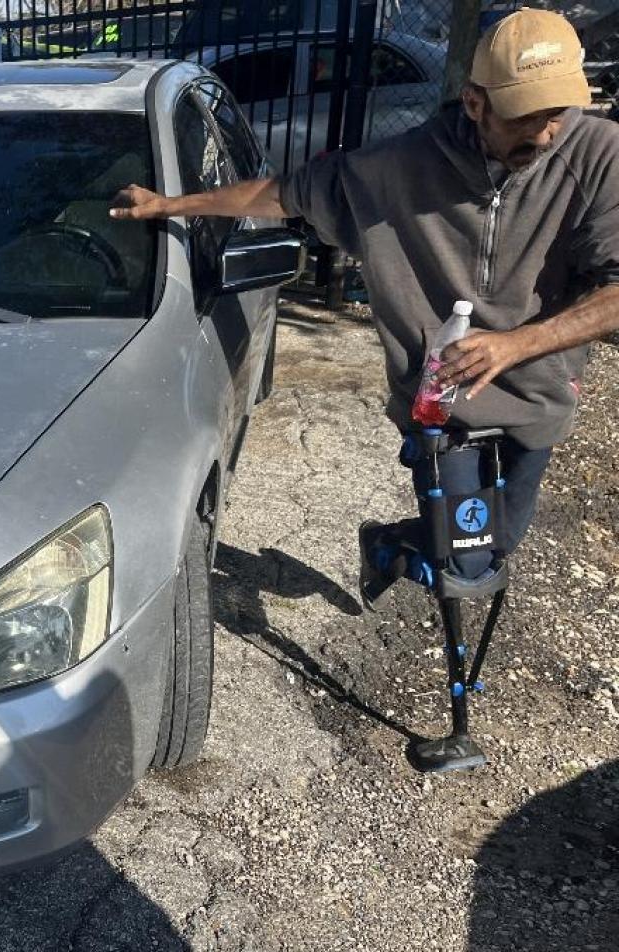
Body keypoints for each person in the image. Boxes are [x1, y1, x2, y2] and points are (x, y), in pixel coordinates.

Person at [109, 8, 619, 600]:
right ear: (476, 102)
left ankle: (412, 542)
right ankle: (389, 544)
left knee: (501, 540)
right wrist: (170, 206)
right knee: (468, 566)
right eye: (527, 116)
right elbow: (285, 195)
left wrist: (516, 345)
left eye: (557, 113)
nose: (547, 133)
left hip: (539, 391)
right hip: (442, 399)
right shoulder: (400, 165)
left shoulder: (600, 154)